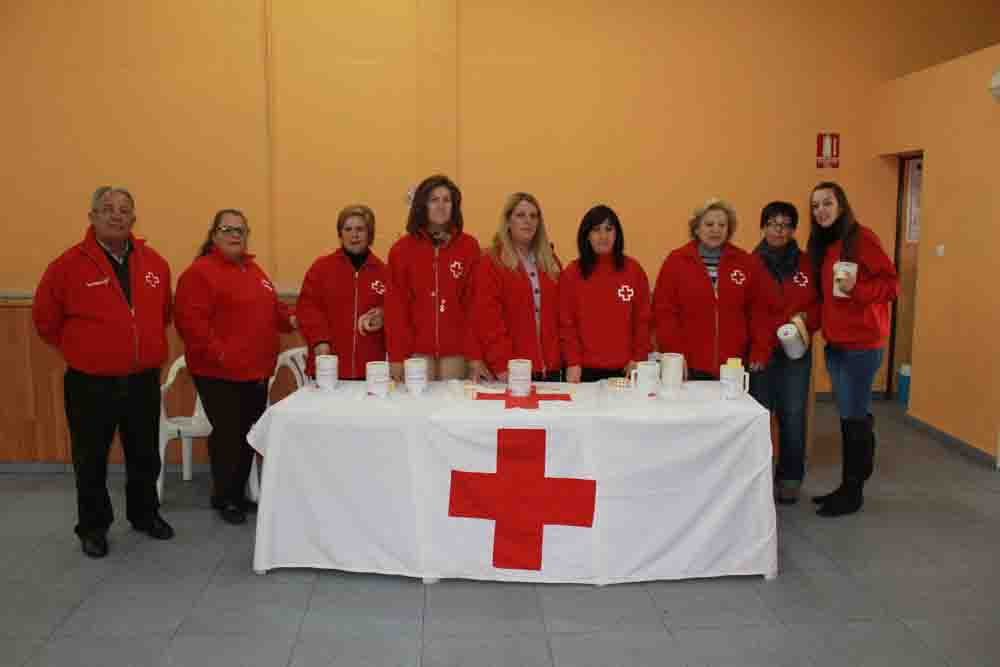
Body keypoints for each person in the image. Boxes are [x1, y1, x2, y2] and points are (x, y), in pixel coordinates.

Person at [33, 186, 175, 558]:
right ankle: (93, 527)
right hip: (89, 383)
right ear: (92, 216)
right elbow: (46, 322)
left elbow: (162, 315)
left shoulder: (155, 264)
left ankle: (145, 515)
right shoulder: (66, 266)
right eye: (107, 209)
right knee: (90, 458)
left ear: (133, 218)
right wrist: (86, 350)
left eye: (124, 210)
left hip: (142, 379)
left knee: (144, 455)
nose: (116, 215)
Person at [174, 209, 296, 525]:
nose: (234, 235)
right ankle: (226, 497)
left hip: (254, 370)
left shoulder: (253, 270)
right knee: (229, 434)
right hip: (218, 372)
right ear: (214, 235)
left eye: (240, 230)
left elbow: (273, 308)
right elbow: (191, 324)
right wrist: (223, 355)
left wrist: (292, 319)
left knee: (247, 433)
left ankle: (234, 494)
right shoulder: (199, 273)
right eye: (227, 229)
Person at [807, 182, 898, 517]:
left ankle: (853, 490)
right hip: (836, 344)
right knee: (849, 415)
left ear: (841, 205)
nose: (821, 210)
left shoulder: (862, 238)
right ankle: (848, 484)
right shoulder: (822, 244)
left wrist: (856, 287)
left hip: (862, 345)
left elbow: (892, 284)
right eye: (815, 206)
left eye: (827, 203)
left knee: (853, 418)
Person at [749, 201, 821, 505]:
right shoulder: (748, 264)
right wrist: (757, 349)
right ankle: (757, 477)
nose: (779, 230)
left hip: (796, 352)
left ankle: (790, 478)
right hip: (760, 351)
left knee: (793, 414)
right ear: (763, 226)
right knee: (759, 416)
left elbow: (819, 305)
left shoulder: (807, 264)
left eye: (786, 225)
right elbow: (745, 311)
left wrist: (806, 320)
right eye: (773, 223)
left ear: (794, 230)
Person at [653, 198, 769, 380]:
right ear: (696, 228)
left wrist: (760, 349)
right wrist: (675, 355)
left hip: (733, 365)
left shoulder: (746, 262)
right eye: (709, 224)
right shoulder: (676, 262)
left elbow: (758, 311)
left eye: (722, 225)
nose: (716, 229)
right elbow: (664, 314)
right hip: (688, 365)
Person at [384, 174, 481, 382]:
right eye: (434, 200)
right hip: (416, 351)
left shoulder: (469, 247)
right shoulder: (401, 250)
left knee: (452, 411)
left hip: (456, 350)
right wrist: (396, 357)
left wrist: (475, 357)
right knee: (417, 411)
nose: (441, 206)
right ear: (422, 205)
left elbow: (474, 306)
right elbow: (396, 309)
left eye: (447, 200)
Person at [473, 193, 562, 382]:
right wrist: (503, 364)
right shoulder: (491, 262)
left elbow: (562, 317)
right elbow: (489, 321)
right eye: (520, 215)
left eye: (533, 216)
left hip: (551, 370)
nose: (528, 221)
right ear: (508, 222)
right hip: (512, 371)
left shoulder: (550, 262)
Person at [559, 204, 651, 383]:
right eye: (596, 230)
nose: (603, 236)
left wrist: (638, 359)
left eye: (609, 229)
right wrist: (572, 362)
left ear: (617, 234)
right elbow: (566, 324)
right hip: (582, 371)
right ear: (586, 236)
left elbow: (643, 320)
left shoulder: (634, 271)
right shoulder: (572, 273)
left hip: (626, 370)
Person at [297, 204, 388, 379]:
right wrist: (319, 340)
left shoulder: (384, 273)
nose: (354, 235)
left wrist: (383, 314)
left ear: (370, 234)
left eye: (360, 229)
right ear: (340, 234)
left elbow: (394, 310)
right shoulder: (321, 269)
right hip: (329, 368)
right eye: (348, 229)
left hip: (369, 372)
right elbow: (307, 308)